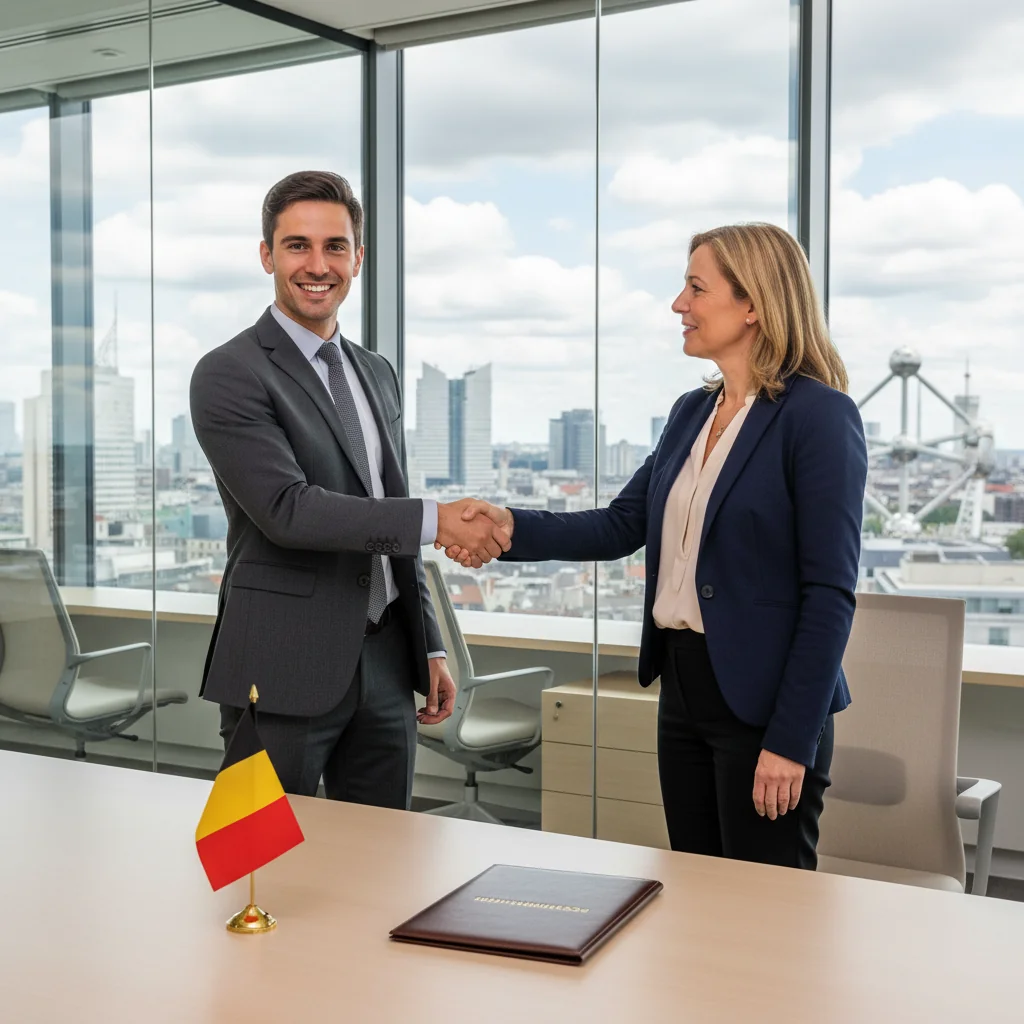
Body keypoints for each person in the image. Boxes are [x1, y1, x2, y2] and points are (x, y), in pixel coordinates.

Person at [443, 223, 867, 869]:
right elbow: (621, 525)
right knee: (695, 885)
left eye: (696, 288)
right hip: (685, 689)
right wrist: (508, 526)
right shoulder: (691, 412)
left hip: (765, 705)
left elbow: (830, 594)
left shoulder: (818, 416)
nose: (679, 304)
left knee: (765, 911)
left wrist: (790, 739)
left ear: (753, 304)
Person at [190, 170, 508, 809]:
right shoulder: (229, 372)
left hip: (387, 663)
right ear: (266, 256)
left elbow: (385, 510)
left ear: (358, 258)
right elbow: (289, 511)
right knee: (257, 868)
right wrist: (439, 519)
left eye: (335, 246)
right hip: (282, 664)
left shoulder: (375, 372)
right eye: (297, 245)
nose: (318, 264)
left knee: (384, 865)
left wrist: (430, 643)